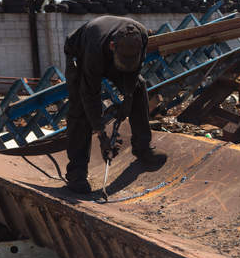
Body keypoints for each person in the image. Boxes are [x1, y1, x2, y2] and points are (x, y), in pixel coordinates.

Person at [63, 15, 166, 194]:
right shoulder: (94, 50)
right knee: (80, 110)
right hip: (80, 53)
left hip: (110, 53)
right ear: (113, 46)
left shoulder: (141, 35)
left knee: (139, 87)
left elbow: (133, 74)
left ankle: (142, 148)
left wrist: (128, 99)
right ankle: (76, 174)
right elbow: (90, 95)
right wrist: (102, 135)